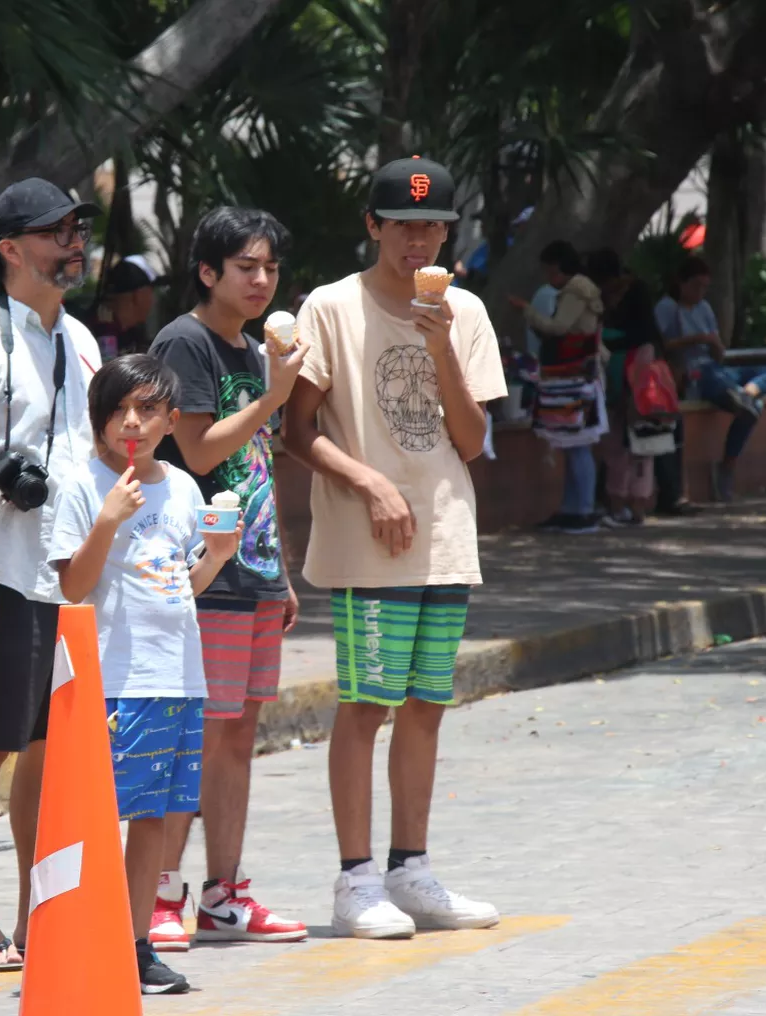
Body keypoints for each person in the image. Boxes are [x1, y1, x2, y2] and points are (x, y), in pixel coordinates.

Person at [282, 155, 503, 940]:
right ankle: (355, 880)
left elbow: (473, 441)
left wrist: (440, 345)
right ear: (372, 226)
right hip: (365, 540)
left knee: (426, 707)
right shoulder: (330, 307)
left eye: (433, 226)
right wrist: (370, 484)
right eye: (403, 224)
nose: (418, 240)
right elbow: (296, 430)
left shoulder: (465, 313)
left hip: (444, 532)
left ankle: (412, 870)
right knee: (367, 702)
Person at [0, 178, 103, 973]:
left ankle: (42, 915)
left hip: (60, 578)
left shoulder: (81, 341)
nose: (73, 244)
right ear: (10, 249)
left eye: (76, 230)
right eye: (55, 233)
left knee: (40, 750)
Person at [48, 354, 241, 994]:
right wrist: (107, 520)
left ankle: (137, 944)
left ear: (170, 419)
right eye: (118, 410)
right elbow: (72, 587)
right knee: (103, 817)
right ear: (99, 420)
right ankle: (89, 939)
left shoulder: (183, 488)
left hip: (178, 677)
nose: (132, 422)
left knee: (154, 818)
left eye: (147, 410)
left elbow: (182, 587)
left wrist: (216, 558)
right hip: (114, 680)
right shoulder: (81, 483)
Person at [145, 207, 309, 952]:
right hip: (200, 575)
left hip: (255, 572)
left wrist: (280, 568)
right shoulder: (186, 342)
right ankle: (159, 893)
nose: (261, 279)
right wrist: (275, 395)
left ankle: (224, 895)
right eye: (246, 266)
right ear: (207, 272)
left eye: (270, 267)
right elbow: (202, 452)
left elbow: (258, 469)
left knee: (239, 736)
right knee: (197, 734)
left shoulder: (252, 345)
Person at [654, 257, 766, 502]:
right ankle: (727, 464)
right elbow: (660, 345)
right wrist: (696, 339)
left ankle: (746, 393)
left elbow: (718, 351)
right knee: (754, 408)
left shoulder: (704, 308)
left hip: (716, 368)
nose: (700, 292)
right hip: (693, 373)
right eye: (696, 286)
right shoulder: (667, 307)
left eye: (705, 287)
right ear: (682, 283)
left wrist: (714, 344)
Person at [510, 241, 606, 535]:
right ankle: (571, 508)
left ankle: (583, 510)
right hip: (575, 374)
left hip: (577, 374)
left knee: (578, 443)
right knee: (572, 443)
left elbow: (559, 327)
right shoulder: (579, 288)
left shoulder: (576, 289)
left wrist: (527, 311)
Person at [587, 249, 667, 527]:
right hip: (630, 373)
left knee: (623, 443)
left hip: (628, 375)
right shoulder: (632, 293)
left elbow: (641, 335)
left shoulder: (623, 298)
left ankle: (624, 506)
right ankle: (632, 507)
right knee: (637, 444)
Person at [91, 254, 165, 359]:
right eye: (151, 292)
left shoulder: (129, 330)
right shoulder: (104, 329)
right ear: (138, 296)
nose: (153, 300)